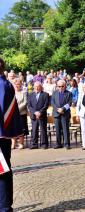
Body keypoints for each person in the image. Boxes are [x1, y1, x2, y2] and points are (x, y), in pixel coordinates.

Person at [0, 57, 23, 212]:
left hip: (0, 135)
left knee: (2, 171)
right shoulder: (5, 84)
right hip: (3, 134)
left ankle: (4, 206)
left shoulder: (2, 85)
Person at [51, 80, 72, 149]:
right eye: (59, 86)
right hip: (56, 113)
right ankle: (58, 144)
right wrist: (58, 109)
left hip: (65, 113)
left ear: (65, 86)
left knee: (65, 129)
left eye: (62, 86)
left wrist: (62, 109)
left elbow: (69, 103)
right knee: (57, 129)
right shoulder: (54, 93)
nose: (61, 88)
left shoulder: (69, 93)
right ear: (57, 86)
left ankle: (67, 144)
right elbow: (52, 103)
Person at [28, 81, 49, 149]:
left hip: (42, 115)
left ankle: (44, 144)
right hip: (34, 115)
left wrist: (40, 112)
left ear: (41, 87)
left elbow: (46, 105)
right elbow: (29, 106)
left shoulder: (45, 94)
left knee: (43, 130)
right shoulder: (30, 94)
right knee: (34, 130)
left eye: (38, 86)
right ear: (34, 87)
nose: (37, 88)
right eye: (35, 86)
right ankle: (34, 144)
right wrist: (35, 112)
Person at [11, 79, 28, 149]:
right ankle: (13, 144)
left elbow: (25, 102)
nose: (17, 86)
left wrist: (17, 109)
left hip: (21, 114)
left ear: (21, 85)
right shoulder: (11, 92)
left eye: (18, 84)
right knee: (13, 129)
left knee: (21, 129)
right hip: (12, 114)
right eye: (16, 84)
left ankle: (21, 143)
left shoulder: (24, 92)